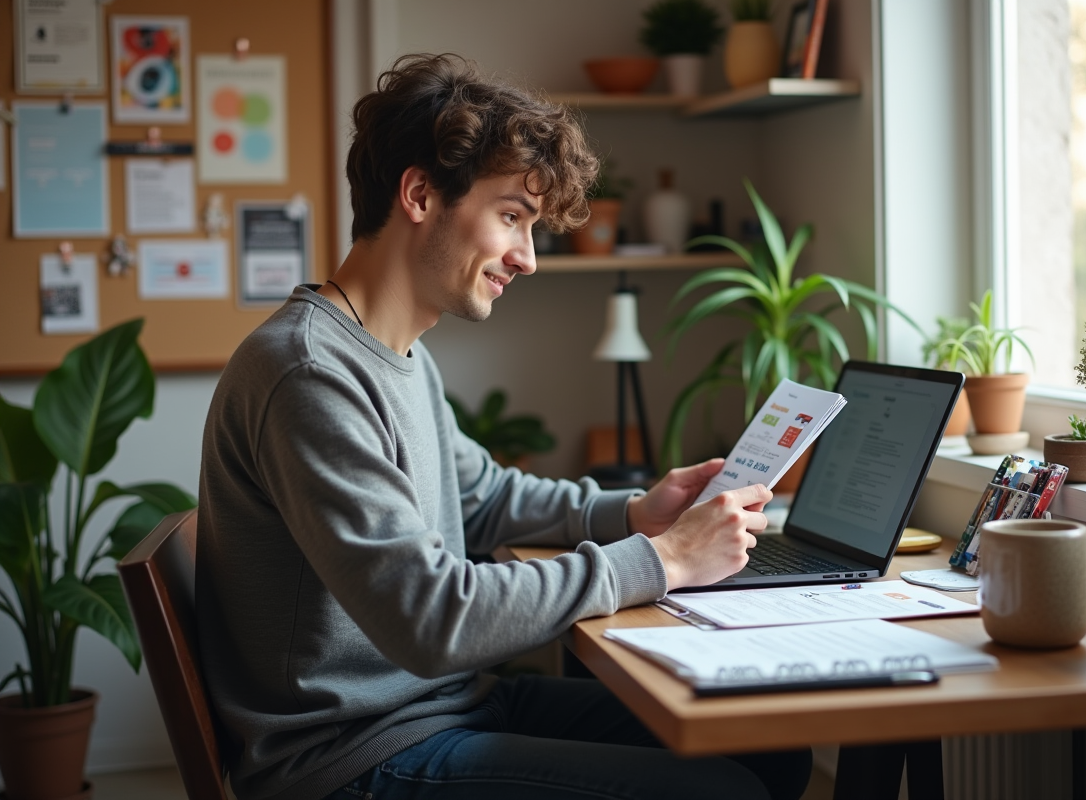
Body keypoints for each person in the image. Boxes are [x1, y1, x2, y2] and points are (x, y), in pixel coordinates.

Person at [196, 53, 812, 800]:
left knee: (769, 746)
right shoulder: (308, 374)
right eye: (512, 217)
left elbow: (479, 496)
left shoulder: (396, 354)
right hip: (352, 757)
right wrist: (663, 560)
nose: (526, 258)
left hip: (433, 707)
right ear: (420, 194)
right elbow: (429, 618)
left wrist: (632, 513)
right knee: (724, 792)